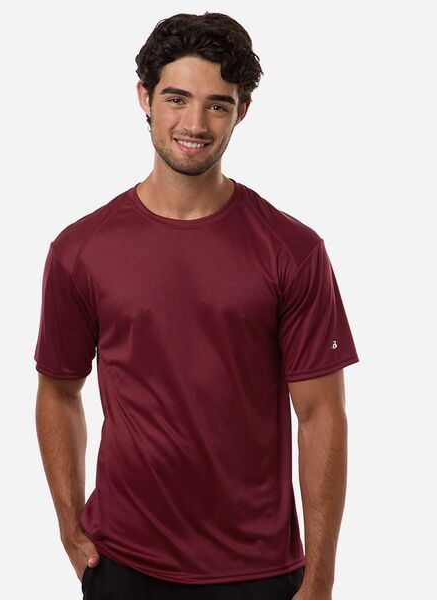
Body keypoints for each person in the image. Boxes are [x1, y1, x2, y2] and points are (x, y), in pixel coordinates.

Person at [34, 11, 359, 600]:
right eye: (177, 98)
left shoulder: (294, 251)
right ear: (145, 97)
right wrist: (68, 527)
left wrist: (321, 579)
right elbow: (58, 389)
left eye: (217, 105)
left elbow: (321, 416)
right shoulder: (80, 249)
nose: (194, 123)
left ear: (242, 111)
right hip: (123, 564)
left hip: (259, 571)